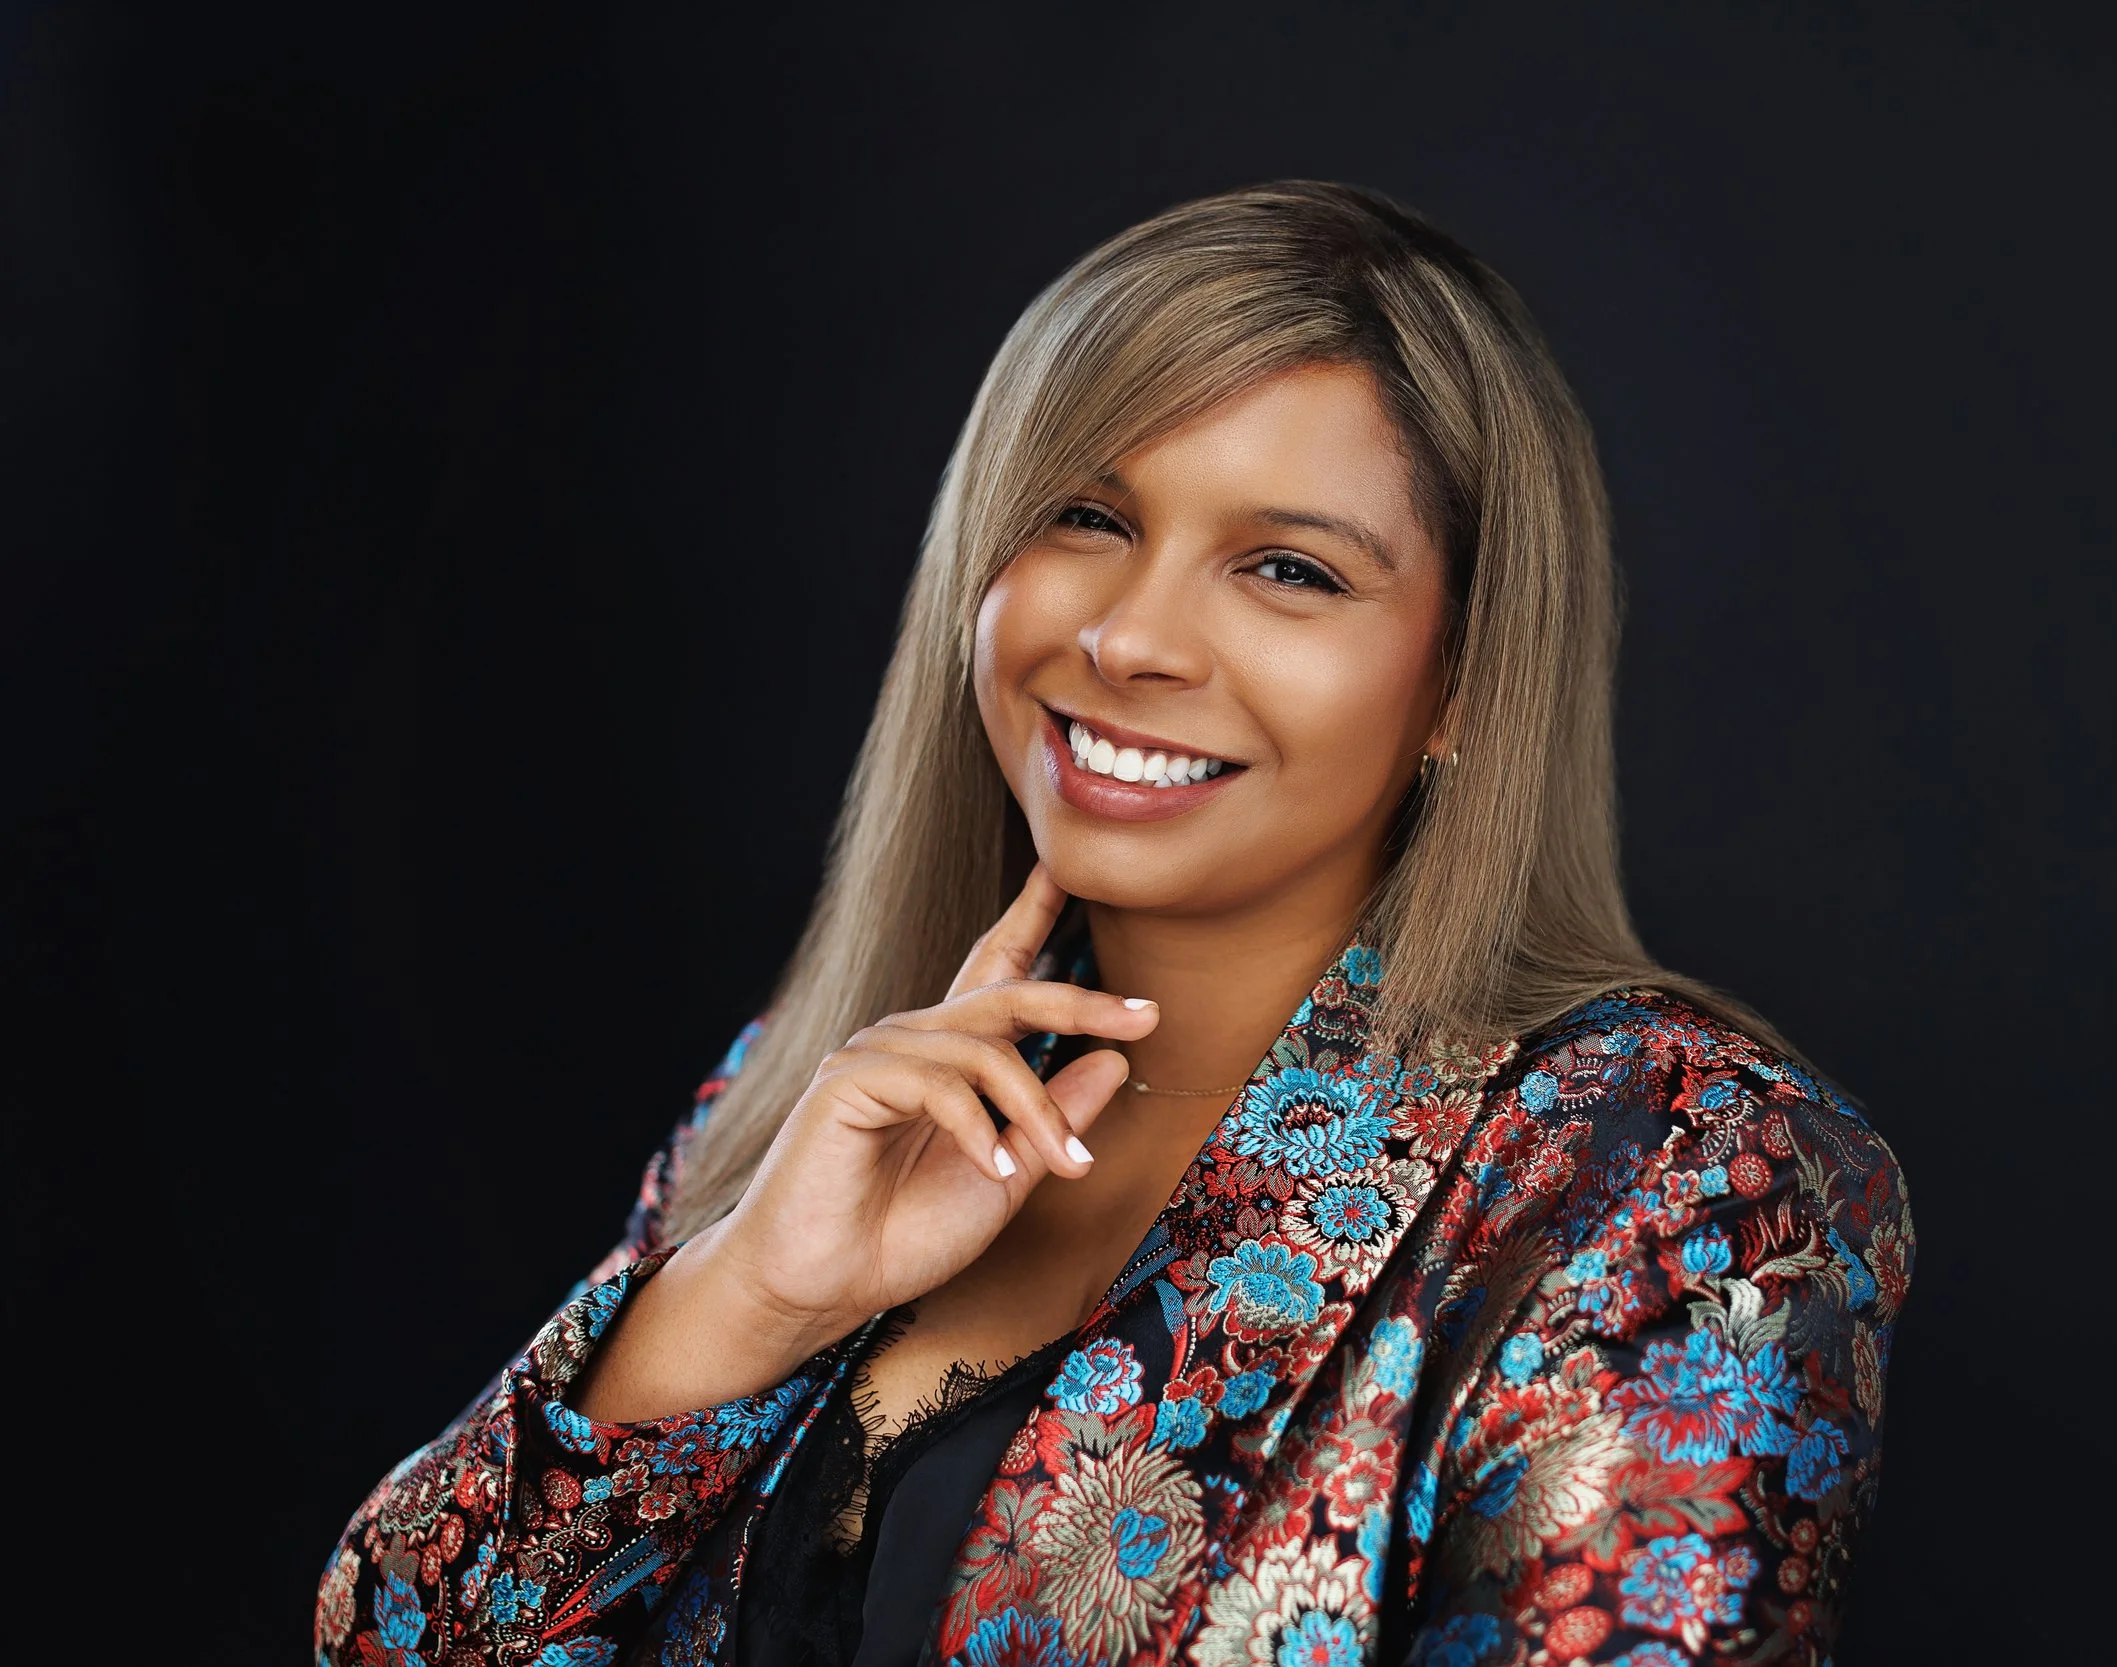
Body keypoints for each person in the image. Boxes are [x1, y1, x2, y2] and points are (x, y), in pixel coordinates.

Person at [317, 181, 1913, 1667]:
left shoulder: (1684, 1169)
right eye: (1085, 515)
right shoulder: (817, 1090)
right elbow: (393, 1642)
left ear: (1464, 688)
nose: (1133, 635)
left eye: (1287, 568)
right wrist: (742, 1297)